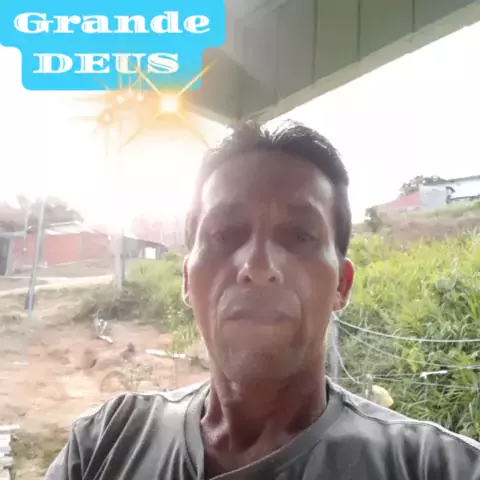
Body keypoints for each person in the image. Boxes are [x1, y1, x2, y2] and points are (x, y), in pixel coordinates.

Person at [47, 121, 480, 479]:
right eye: (224, 233)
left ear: (342, 285)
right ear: (187, 278)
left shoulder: (436, 467)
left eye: (300, 235)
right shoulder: (105, 443)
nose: (257, 265)